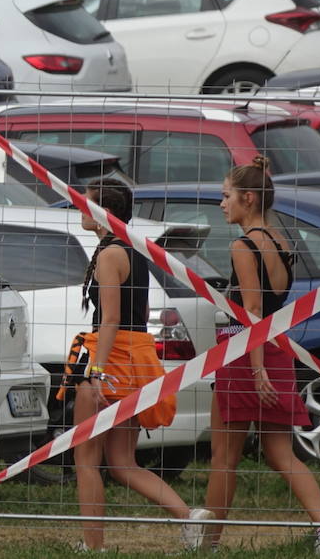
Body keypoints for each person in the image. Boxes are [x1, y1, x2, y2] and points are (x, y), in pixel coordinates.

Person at [202, 157, 320, 554]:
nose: (222, 204)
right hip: (278, 349)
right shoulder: (282, 241)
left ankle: (207, 545)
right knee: (282, 453)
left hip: (246, 353)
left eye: (226, 196)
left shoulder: (242, 245)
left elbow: (251, 313)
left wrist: (257, 370)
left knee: (224, 457)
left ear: (248, 199)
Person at [67, 179, 206, 551]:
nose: (81, 210)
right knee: (122, 462)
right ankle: (188, 517)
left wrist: (95, 370)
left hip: (108, 359)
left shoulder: (111, 254)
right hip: (132, 359)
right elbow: (140, 312)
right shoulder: (132, 249)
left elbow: (110, 319)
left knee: (86, 457)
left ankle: (93, 545)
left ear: (104, 213)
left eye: (87, 204)